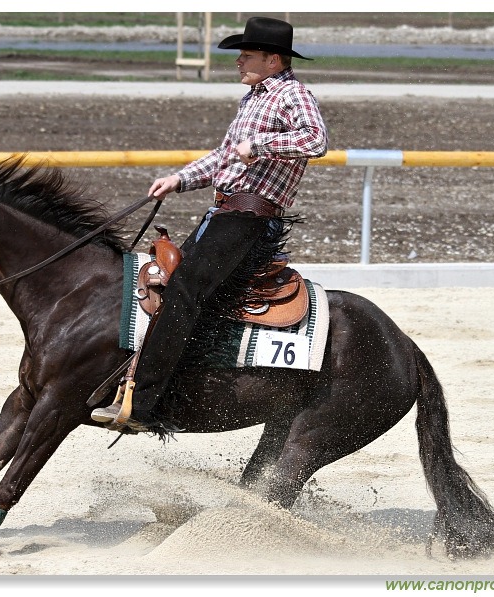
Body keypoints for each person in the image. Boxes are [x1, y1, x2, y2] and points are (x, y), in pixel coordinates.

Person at [92, 16, 328, 432]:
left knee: (185, 288)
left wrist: (258, 145)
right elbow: (223, 158)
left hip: (249, 217)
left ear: (274, 60)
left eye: (247, 55)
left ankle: (143, 405)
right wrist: (179, 179)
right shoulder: (253, 98)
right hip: (223, 213)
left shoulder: (292, 93)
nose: (239, 62)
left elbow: (315, 140)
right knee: (163, 282)